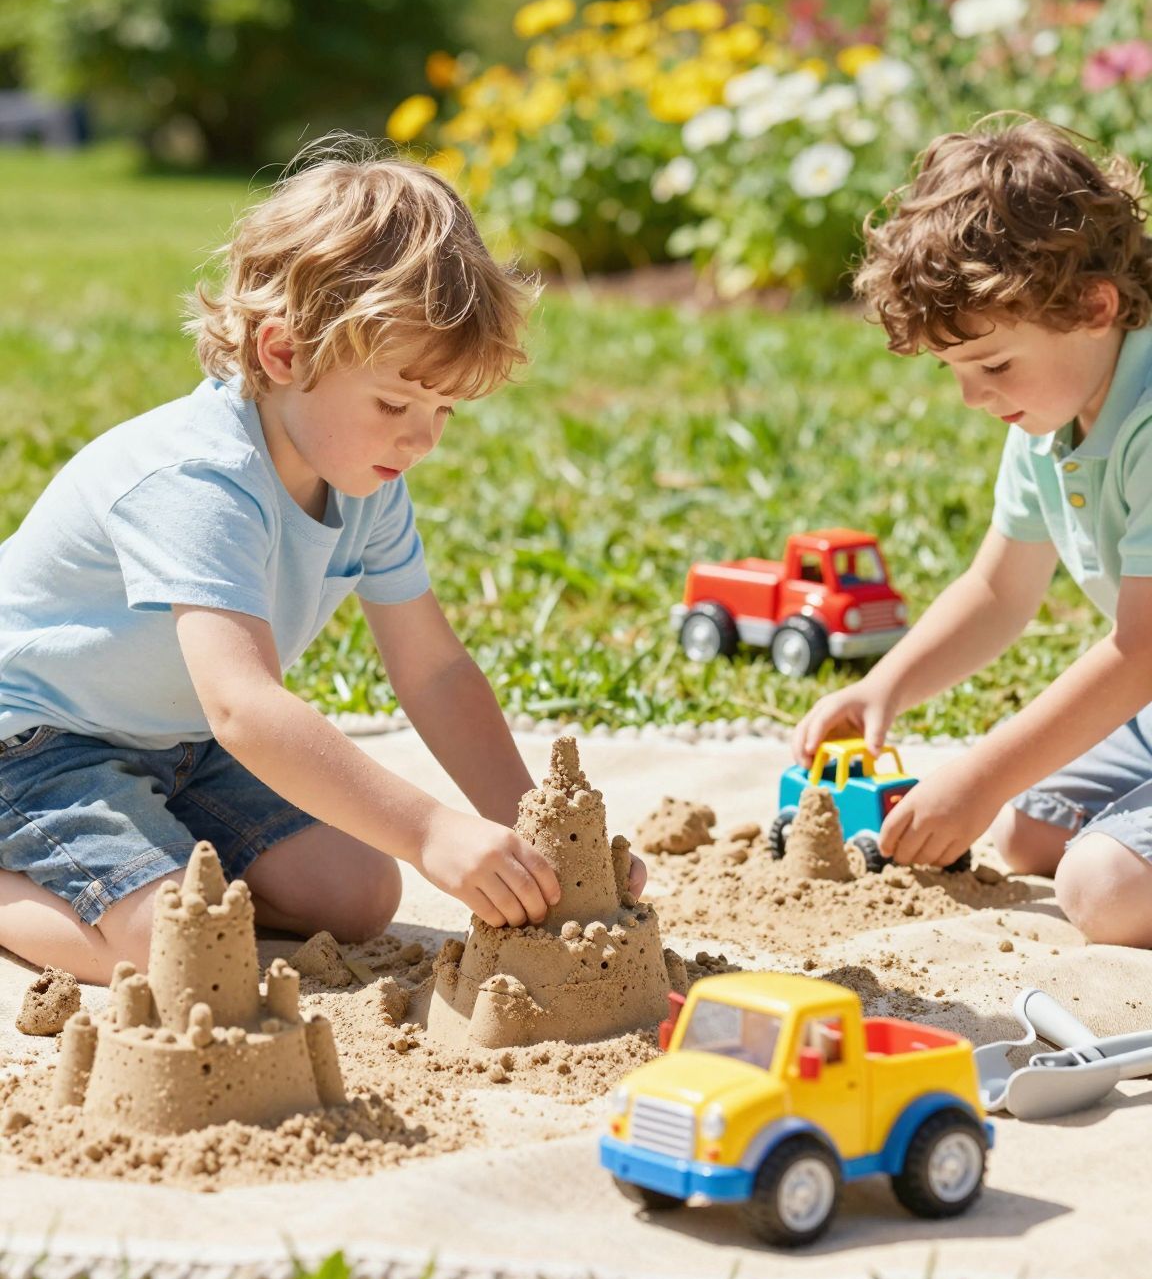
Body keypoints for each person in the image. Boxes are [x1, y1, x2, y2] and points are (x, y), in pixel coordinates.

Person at [0, 145, 642, 984]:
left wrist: (541, 831)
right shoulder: (198, 480)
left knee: (359, 892)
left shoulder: (364, 481)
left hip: (180, 740)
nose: (422, 438)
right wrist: (429, 831)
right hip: (38, 745)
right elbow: (245, 708)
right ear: (283, 355)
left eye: (443, 408)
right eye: (394, 403)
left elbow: (437, 672)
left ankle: (136, 863)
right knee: (176, 947)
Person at [794, 117, 1152, 948]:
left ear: (1096, 306)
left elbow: (1140, 652)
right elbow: (997, 591)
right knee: (1027, 829)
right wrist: (885, 687)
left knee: (1100, 889)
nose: (974, 398)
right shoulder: (1049, 419)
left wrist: (981, 773)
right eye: (955, 372)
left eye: (993, 365)